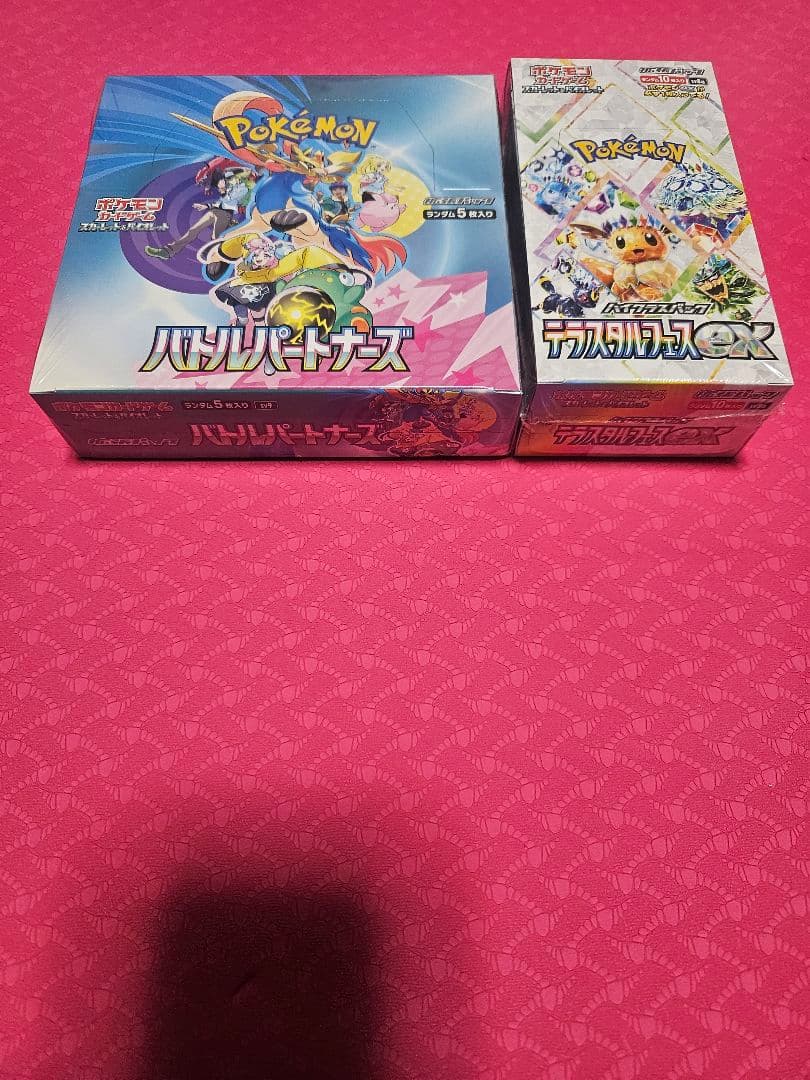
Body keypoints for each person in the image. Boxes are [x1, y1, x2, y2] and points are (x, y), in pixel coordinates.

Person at [145, 167, 255, 277]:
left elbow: (228, 202)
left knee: (216, 238)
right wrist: (206, 205)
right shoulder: (228, 183)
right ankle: (168, 251)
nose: (227, 182)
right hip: (215, 211)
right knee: (193, 230)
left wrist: (222, 190)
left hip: (225, 214)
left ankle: (216, 261)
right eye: (225, 180)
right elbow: (220, 201)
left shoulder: (243, 188)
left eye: (230, 179)